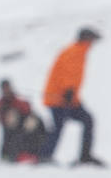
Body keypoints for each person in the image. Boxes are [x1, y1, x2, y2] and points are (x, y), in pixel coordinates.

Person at [39, 27, 104, 166]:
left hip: (67, 98)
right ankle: (45, 156)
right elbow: (69, 73)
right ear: (86, 39)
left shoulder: (78, 51)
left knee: (84, 121)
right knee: (60, 126)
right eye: (92, 39)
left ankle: (84, 156)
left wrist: (71, 94)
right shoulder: (74, 51)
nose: (93, 43)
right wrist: (68, 91)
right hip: (59, 98)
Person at [0, 78, 46, 163]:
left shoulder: (18, 100)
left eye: (7, 88)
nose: (6, 90)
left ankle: (34, 154)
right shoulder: (0, 103)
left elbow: (29, 110)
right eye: (4, 88)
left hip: (23, 129)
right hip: (10, 133)